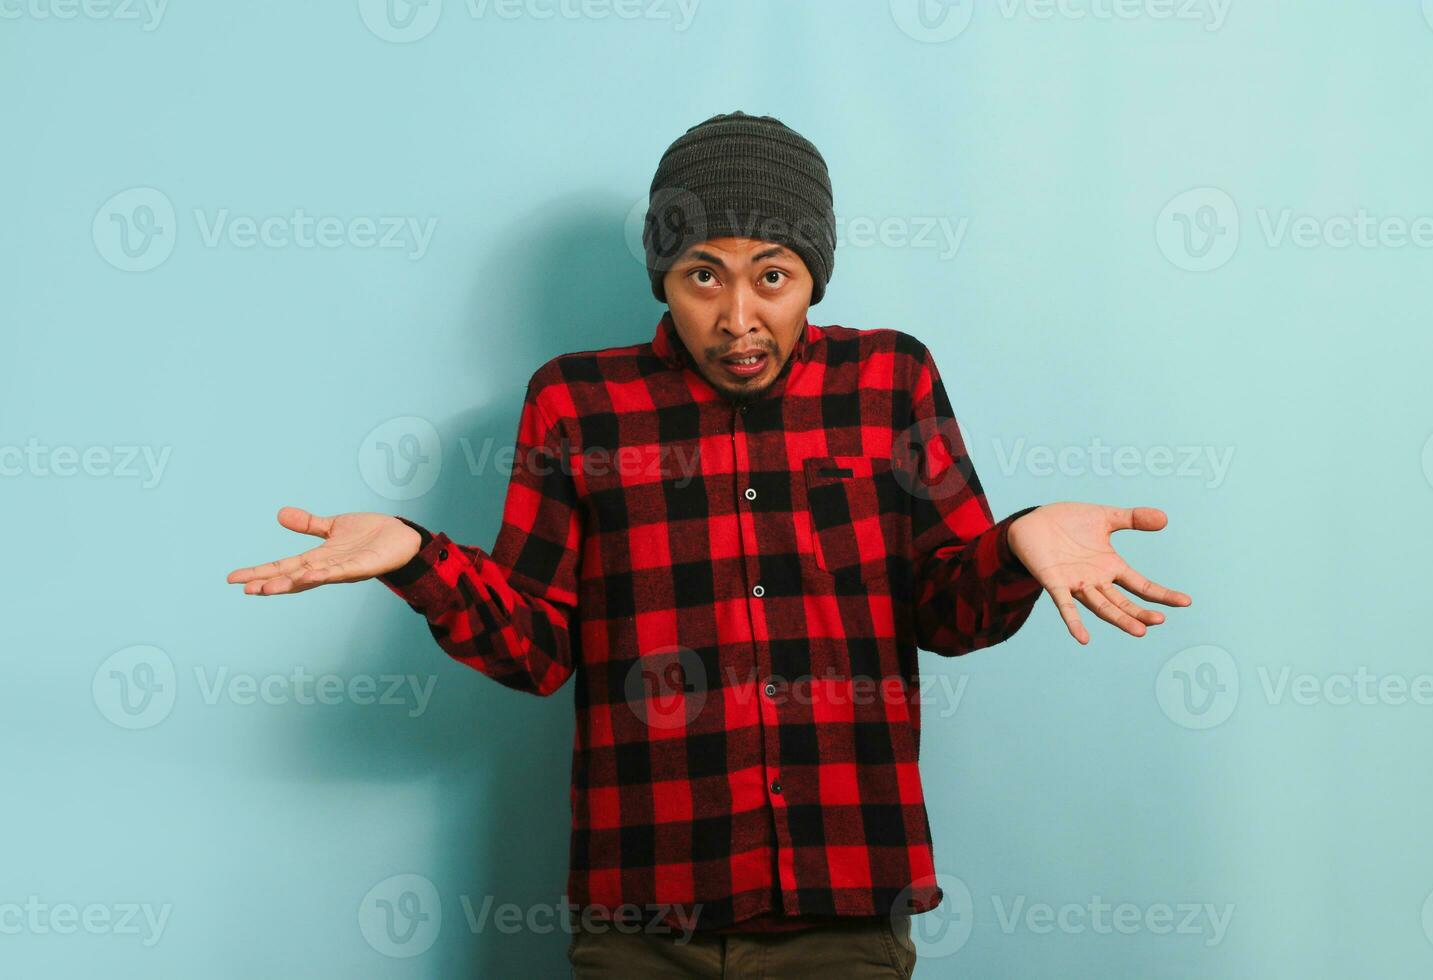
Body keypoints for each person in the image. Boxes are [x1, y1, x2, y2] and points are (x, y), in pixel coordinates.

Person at [226, 110, 1191, 978]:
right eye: (703, 277)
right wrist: (413, 557)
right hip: (643, 914)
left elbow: (945, 612)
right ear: (665, 278)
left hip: (843, 904)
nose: (738, 317)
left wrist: (1016, 540)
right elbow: (537, 649)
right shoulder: (575, 402)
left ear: (814, 272)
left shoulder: (891, 381)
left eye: (772, 275)